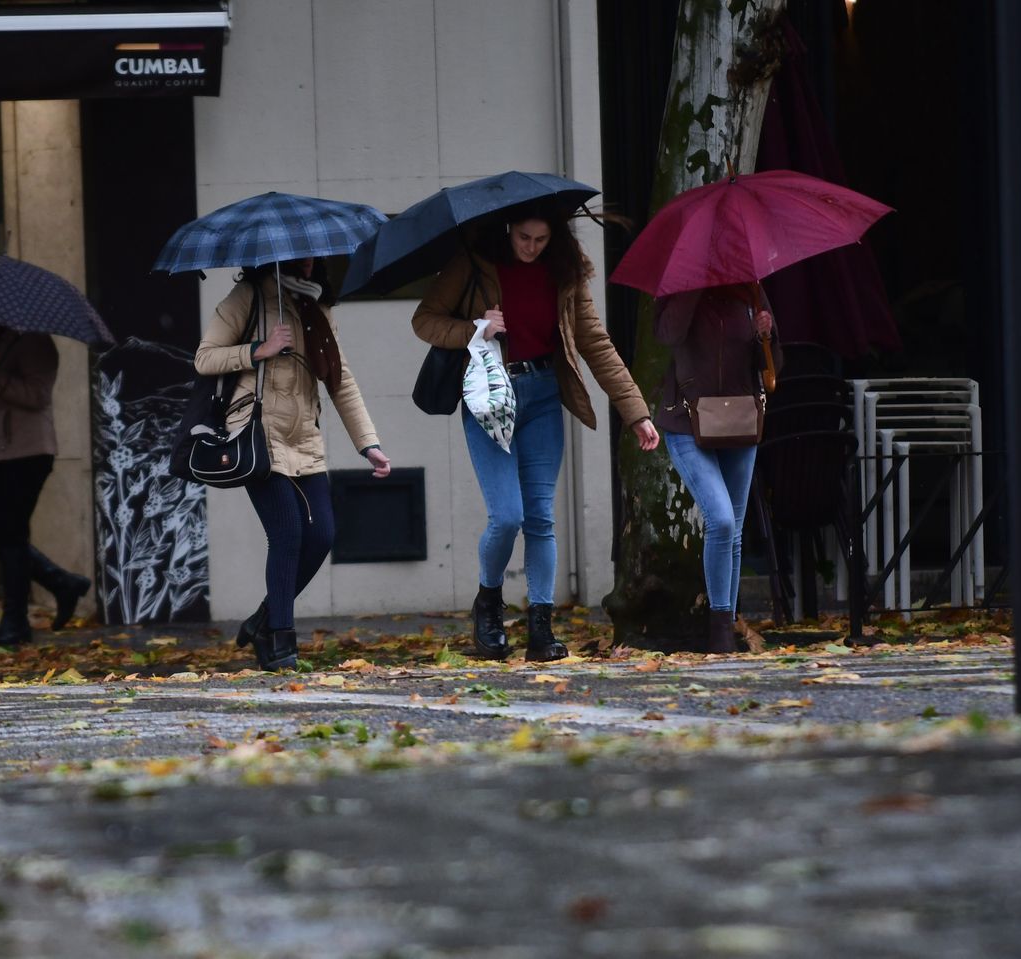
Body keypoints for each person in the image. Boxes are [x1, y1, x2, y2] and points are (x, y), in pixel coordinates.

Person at [413, 204, 660, 662]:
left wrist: (636, 412)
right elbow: (425, 319)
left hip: (544, 395)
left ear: (555, 237)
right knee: (507, 516)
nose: (530, 247)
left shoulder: (566, 273)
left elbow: (596, 344)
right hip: (490, 395)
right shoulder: (474, 262)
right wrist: (475, 328)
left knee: (540, 518)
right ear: (509, 230)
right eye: (523, 237)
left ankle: (541, 629)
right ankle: (488, 602)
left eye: (540, 239)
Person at [195, 257, 390, 672]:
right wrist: (256, 351)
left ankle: (263, 620)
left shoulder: (319, 307)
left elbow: (341, 379)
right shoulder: (248, 296)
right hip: (256, 432)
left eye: (312, 254)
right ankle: (281, 639)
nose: (306, 261)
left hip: (304, 435)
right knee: (287, 534)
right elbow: (205, 358)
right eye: (296, 254)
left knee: (322, 536)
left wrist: (367, 443)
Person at [652, 282, 781, 653]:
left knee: (734, 532)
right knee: (722, 520)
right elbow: (668, 334)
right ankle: (719, 626)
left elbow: (773, 366)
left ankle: (727, 624)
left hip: (739, 421)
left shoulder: (752, 289)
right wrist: (691, 288)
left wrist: (764, 335)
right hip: (686, 422)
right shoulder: (678, 283)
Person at [0, 324, 92, 646]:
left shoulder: (35, 341)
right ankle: (62, 582)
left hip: (26, 452)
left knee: (10, 536)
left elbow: (37, 396)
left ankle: (16, 621)